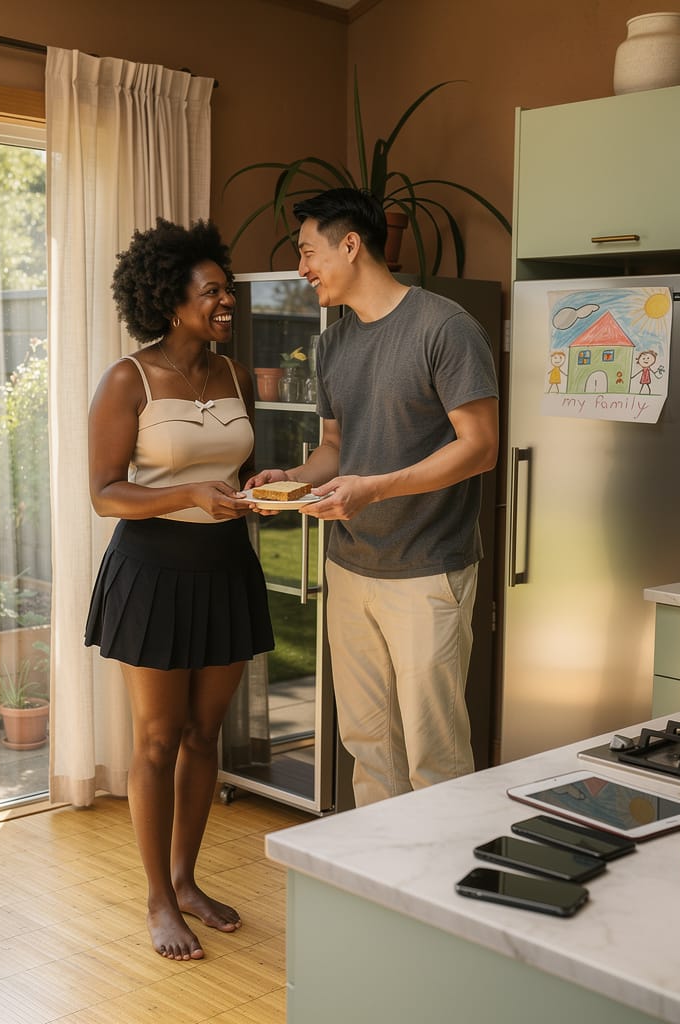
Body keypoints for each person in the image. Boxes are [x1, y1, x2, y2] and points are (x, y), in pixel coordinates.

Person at [245, 188, 499, 808]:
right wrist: (293, 476)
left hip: (428, 566)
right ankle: (378, 891)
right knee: (366, 742)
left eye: (308, 252)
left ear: (351, 244)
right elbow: (336, 448)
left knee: (433, 753)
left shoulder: (444, 327)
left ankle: (438, 897)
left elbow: (481, 446)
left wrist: (376, 487)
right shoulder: (333, 345)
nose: (303, 268)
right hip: (351, 566)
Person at [84, 218, 273, 961]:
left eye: (225, 290)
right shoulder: (127, 380)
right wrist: (188, 493)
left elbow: (228, 462)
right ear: (171, 301)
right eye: (213, 292)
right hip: (152, 572)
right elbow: (105, 493)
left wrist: (256, 488)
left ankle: (187, 879)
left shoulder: (228, 372)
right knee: (158, 739)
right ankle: (158, 901)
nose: (227, 301)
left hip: (227, 566)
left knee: (205, 735)